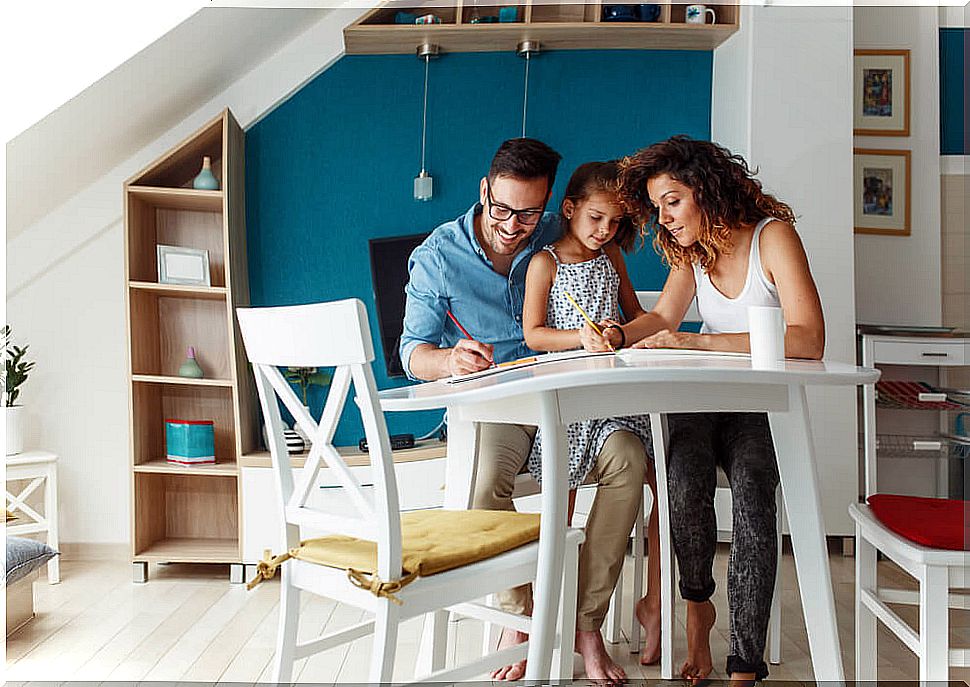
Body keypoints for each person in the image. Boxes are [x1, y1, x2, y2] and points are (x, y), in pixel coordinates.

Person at [400, 141, 647, 683]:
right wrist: (449, 359)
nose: (513, 225)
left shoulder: (558, 242)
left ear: (550, 204)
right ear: (484, 192)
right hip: (499, 402)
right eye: (503, 210)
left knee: (629, 459)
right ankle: (522, 618)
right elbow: (411, 353)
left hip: (567, 400)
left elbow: (624, 301)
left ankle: (586, 624)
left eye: (529, 213)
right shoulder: (440, 256)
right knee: (488, 478)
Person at [607, 135, 825, 683]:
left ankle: (746, 660)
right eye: (658, 207)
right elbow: (662, 320)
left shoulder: (772, 239)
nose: (665, 217)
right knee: (683, 479)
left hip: (759, 407)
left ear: (707, 189)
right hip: (700, 401)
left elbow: (807, 338)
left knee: (754, 491)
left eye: (673, 201)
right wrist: (617, 334)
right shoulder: (693, 253)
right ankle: (697, 608)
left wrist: (700, 342)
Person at [522, 160, 663, 669]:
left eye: (617, 223)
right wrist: (578, 340)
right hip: (565, 402)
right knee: (556, 513)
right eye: (597, 219)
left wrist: (617, 331)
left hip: (613, 404)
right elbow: (534, 335)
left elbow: (636, 318)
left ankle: (588, 626)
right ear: (570, 209)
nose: (606, 231)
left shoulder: (612, 260)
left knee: (640, 465)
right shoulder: (546, 263)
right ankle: (535, 623)